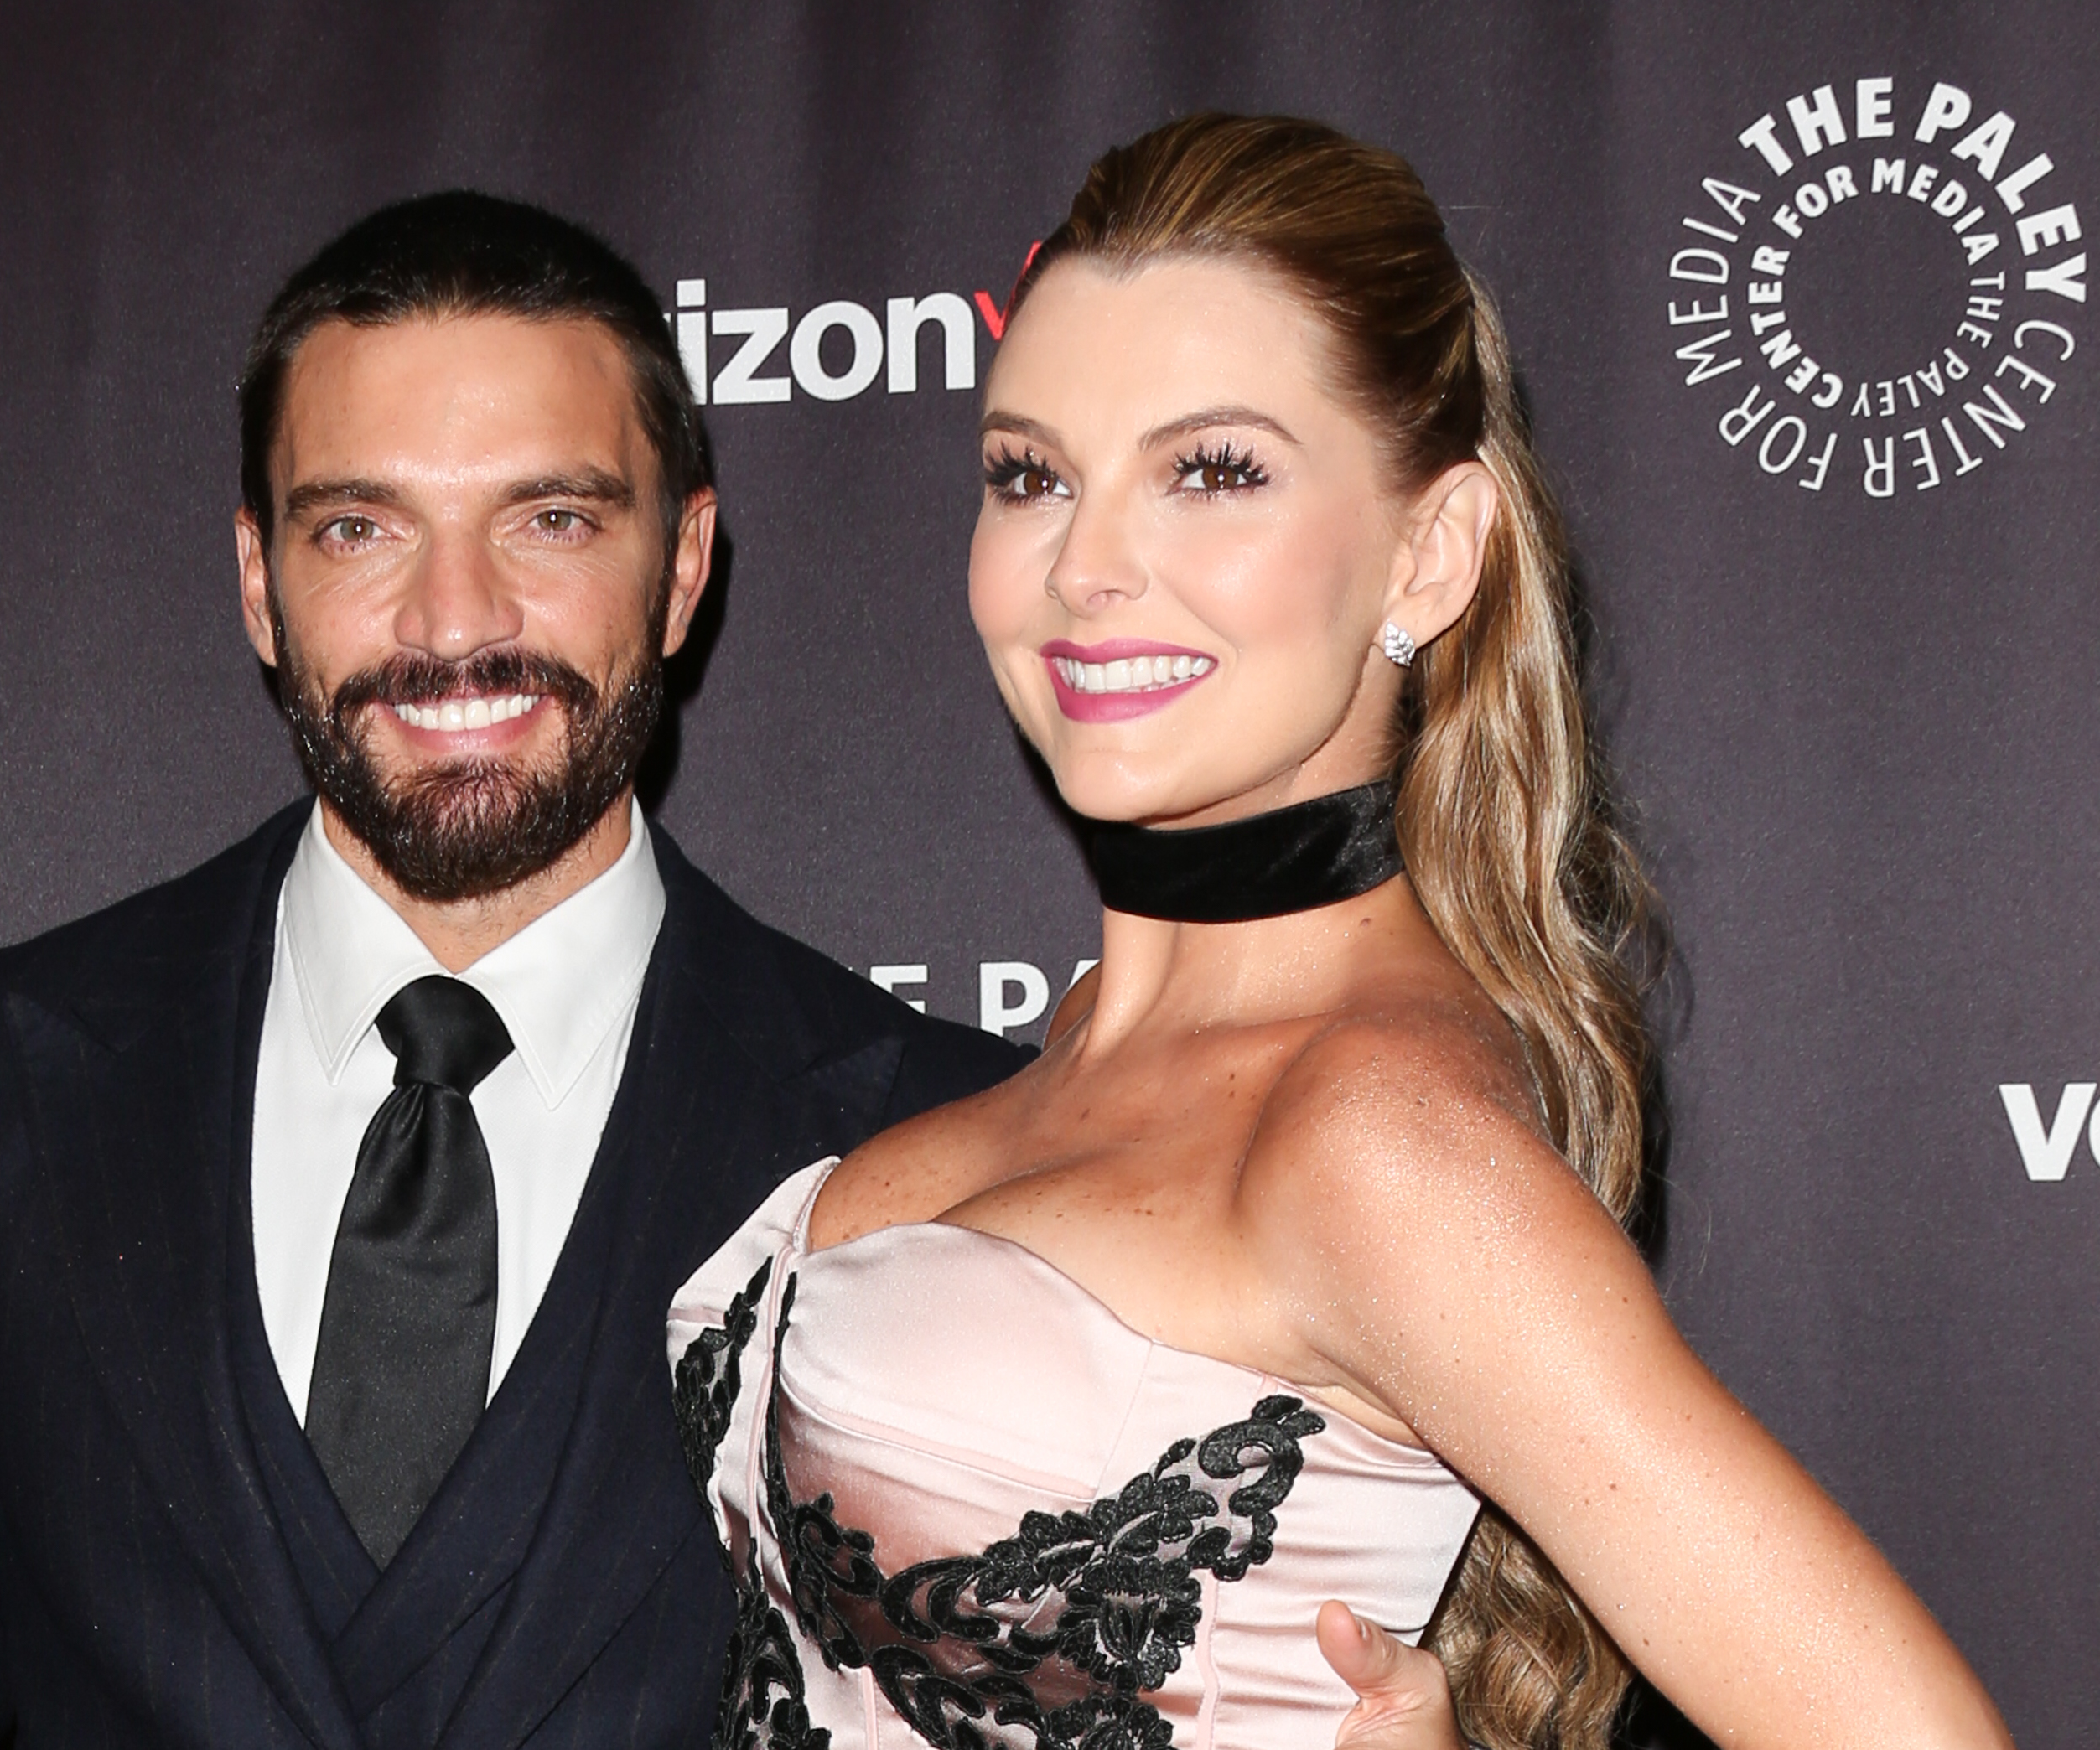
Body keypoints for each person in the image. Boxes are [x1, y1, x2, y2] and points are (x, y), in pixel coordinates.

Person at [0, 192, 1465, 1750]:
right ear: (261, 584)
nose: (451, 618)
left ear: (684, 567)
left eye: (550, 519)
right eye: (359, 529)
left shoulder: (954, 1141)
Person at [669, 114, 2018, 1750]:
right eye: (1031, 474)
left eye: (1212, 471)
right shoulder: (1109, 1023)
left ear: (1430, 551)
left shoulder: (1382, 1143)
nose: (1086, 563)